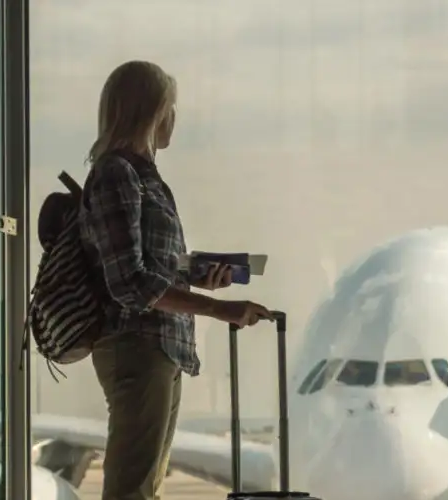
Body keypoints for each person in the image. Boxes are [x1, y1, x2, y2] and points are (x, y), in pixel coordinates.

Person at [81, 60, 272, 500]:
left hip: (161, 346)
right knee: (133, 488)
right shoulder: (117, 174)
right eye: (170, 107)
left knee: (146, 485)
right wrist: (217, 309)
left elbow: (148, 265)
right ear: (150, 112)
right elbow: (129, 281)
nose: (174, 119)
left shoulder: (144, 179)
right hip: (138, 343)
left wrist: (198, 277)